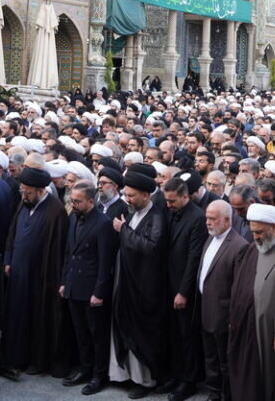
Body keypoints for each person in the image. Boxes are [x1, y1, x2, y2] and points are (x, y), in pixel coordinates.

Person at [228, 203, 275, 401]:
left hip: (270, 330)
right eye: (253, 232)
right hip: (248, 324)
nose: (255, 237)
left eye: (260, 232)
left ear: (273, 227)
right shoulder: (252, 250)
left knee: (270, 375)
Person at [2, 166, 68, 377]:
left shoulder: (55, 211)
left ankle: (35, 360)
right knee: (16, 315)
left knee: (36, 318)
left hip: (40, 277)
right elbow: (12, 232)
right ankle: (15, 356)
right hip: (18, 272)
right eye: (23, 191)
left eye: (28, 192)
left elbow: (57, 251)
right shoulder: (24, 202)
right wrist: (8, 259)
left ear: (40, 190)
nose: (24, 195)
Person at [109, 169, 169, 399]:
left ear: (145, 195)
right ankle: (127, 376)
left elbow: (151, 247)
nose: (128, 199)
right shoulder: (131, 213)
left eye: (132, 195)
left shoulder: (156, 217)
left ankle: (145, 381)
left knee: (142, 335)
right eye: (126, 195)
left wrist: (123, 229)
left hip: (145, 288)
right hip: (127, 282)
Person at [60, 179, 118, 395]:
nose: (73, 204)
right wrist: (64, 282)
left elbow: (106, 262)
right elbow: (69, 253)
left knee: (97, 335)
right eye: (72, 201)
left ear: (91, 201)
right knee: (81, 332)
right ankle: (85, 368)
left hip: (92, 289)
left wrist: (99, 292)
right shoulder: (74, 218)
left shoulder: (103, 224)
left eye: (78, 201)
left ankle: (99, 375)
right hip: (74, 285)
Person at [162, 177, 207, 401]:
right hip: (168, 283)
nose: (168, 205)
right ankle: (177, 374)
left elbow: (194, 259)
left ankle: (189, 381)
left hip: (184, 288)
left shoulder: (197, 218)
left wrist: (183, 292)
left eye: (172, 201)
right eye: (167, 201)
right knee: (174, 334)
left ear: (185, 197)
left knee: (187, 336)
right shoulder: (170, 212)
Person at [197, 199, 248, 401]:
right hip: (206, 309)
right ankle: (214, 392)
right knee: (211, 357)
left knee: (225, 361)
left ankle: (228, 395)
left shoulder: (239, 246)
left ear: (227, 220)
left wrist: (232, 317)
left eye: (212, 219)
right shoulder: (210, 238)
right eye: (207, 218)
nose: (207, 222)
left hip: (224, 315)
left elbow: (239, 288)